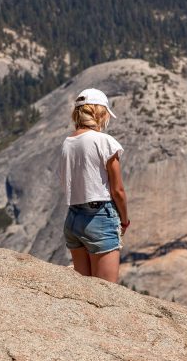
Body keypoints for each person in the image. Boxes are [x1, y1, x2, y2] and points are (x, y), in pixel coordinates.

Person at [58, 88, 129, 283]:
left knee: (85, 291)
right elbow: (118, 190)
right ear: (100, 113)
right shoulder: (104, 142)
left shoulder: (67, 142)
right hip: (100, 217)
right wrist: (124, 220)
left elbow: (65, 181)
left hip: (73, 219)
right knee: (107, 292)